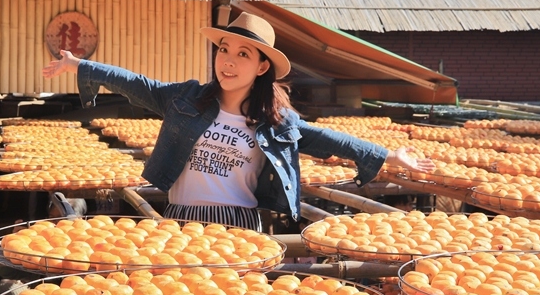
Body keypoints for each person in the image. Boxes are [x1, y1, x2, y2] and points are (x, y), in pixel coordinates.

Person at [42, 12, 436, 230]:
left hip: (241, 224)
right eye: (224, 49)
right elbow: (138, 84)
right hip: (181, 219)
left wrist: (387, 156)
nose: (227, 61)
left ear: (263, 65)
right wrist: (82, 65)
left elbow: (324, 138)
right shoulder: (187, 99)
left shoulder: (275, 120)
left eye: (243, 55)